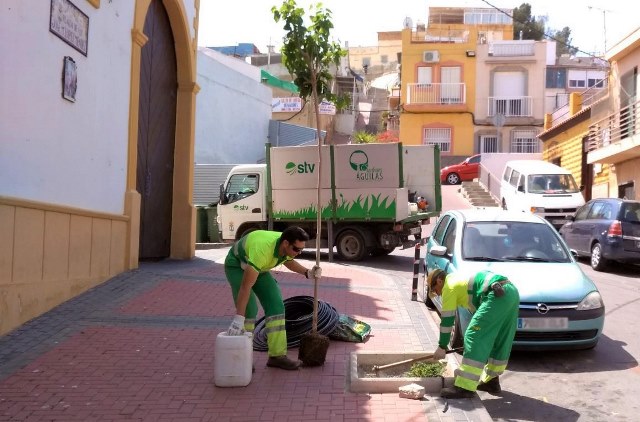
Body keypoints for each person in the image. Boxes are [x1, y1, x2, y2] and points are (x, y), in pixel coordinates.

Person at [225, 226, 322, 370]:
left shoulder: (286, 243)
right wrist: (238, 319)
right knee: (249, 310)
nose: (298, 253)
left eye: (301, 250)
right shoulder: (263, 250)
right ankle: (243, 358)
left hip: (260, 267)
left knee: (276, 306)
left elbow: (288, 260)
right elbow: (245, 287)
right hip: (237, 265)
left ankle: (277, 357)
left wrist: (307, 273)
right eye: (296, 249)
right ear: (286, 244)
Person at [427, 268, 519, 398]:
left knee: (473, 336)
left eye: (435, 290)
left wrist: (442, 346)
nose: (438, 294)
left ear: (439, 281)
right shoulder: (458, 279)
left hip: (495, 294)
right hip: (510, 292)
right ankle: (491, 381)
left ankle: (465, 387)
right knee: (498, 338)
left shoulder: (449, 286)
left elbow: (447, 320)